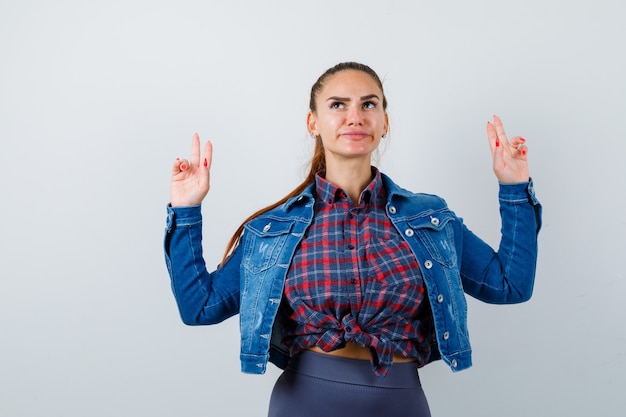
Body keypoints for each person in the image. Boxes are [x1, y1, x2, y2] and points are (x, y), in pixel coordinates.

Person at [164, 62, 542, 417]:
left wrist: (513, 189)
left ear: (385, 121)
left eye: (368, 104)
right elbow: (200, 308)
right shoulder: (273, 229)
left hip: (401, 402)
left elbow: (510, 285)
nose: (354, 116)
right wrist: (185, 212)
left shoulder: (430, 219)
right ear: (313, 122)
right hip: (305, 402)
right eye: (337, 105)